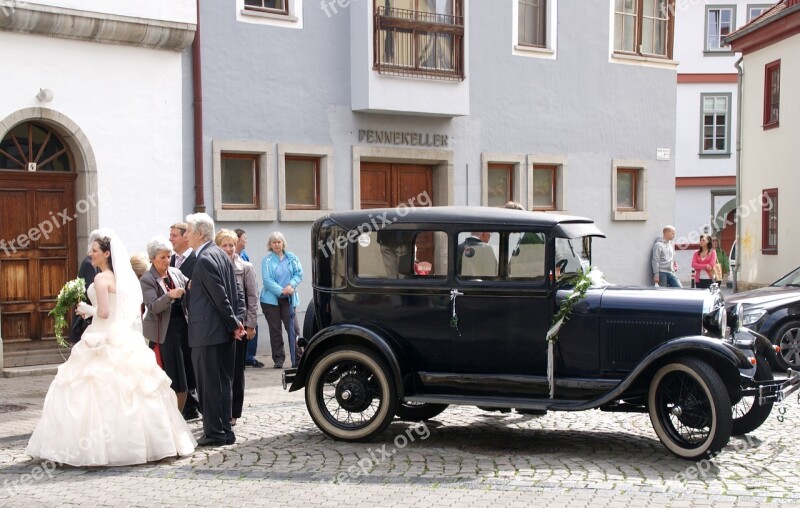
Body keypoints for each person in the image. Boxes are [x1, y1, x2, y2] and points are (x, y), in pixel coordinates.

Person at [26, 231, 196, 466]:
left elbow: (104, 313)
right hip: (120, 334)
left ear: (106, 253)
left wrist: (87, 309)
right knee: (131, 388)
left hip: (103, 334)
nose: (90, 254)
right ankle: (152, 442)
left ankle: (95, 447)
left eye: (94, 251)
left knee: (93, 387)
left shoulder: (100, 279)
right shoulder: (120, 278)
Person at [184, 213, 243, 447]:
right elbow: (233, 295)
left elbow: (221, 297)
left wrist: (234, 324)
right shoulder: (220, 254)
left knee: (209, 385)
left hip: (208, 333)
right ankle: (225, 430)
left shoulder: (206, 258)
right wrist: (235, 323)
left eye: (188, 231)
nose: (186, 236)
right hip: (221, 332)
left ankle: (215, 433)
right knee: (223, 383)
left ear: (199, 233)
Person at [140, 237, 190, 411]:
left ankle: (181, 413)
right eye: (162, 257)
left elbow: (189, 285)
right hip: (164, 333)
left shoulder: (175, 273)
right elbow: (153, 306)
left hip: (182, 328)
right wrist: (169, 296)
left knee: (184, 375)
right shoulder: (147, 279)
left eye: (169, 256)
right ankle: (170, 414)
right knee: (171, 377)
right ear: (152, 258)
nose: (167, 261)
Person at [216, 229, 259, 426]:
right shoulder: (213, 266)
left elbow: (252, 297)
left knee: (236, 371)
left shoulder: (246, 267)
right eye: (224, 245)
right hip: (219, 327)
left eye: (231, 245)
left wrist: (250, 324)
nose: (228, 248)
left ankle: (234, 412)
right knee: (220, 369)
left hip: (240, 326)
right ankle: (220, 410)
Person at [169, 222, 201, 421]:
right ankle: (188, 404)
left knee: (191, 364)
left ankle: (194, 402)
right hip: (175, 321)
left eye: (174, 235)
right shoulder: (170, 260)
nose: (171, 238)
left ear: (184, 237)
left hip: (193, 318)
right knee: (181, 364)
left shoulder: (197, 259)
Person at [260, 232, 303, 369]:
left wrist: (291, 285)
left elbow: (298, 274)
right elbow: (267, 280)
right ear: (270, 245)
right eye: (274, 242)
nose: (277, 245)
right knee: (275, 330)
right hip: (271, 300)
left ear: (283, 243)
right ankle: (278, 359)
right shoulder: (266, 261)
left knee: (294, 329)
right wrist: (281, 290)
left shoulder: (292, 258)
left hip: (289, 299)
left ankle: (298, 359)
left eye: (279, 242)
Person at [68, 229, 106, 344]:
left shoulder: (99, 266)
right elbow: (91, 296)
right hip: (87, 321)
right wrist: (86, 310)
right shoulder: (89, 264)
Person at [235, 228, 262, 367]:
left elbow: (251, 290)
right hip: (237, 311)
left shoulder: (244, 258)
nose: (246, 241)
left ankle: (248, 357)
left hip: (246, 307)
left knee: (252, 326)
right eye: (244, 238)